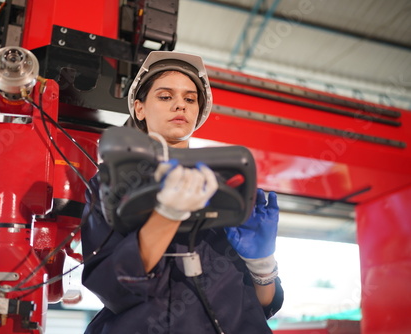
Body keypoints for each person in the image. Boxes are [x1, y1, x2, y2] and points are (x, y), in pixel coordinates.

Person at [81, 51, 283, 334]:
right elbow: (112, 288)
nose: (180, 105)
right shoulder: (112, 182)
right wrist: (167, 216)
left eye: (190, 99)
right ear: (139, 108)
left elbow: (260, 305)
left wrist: (262, 265)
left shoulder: (226, 183)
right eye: (165, 97)